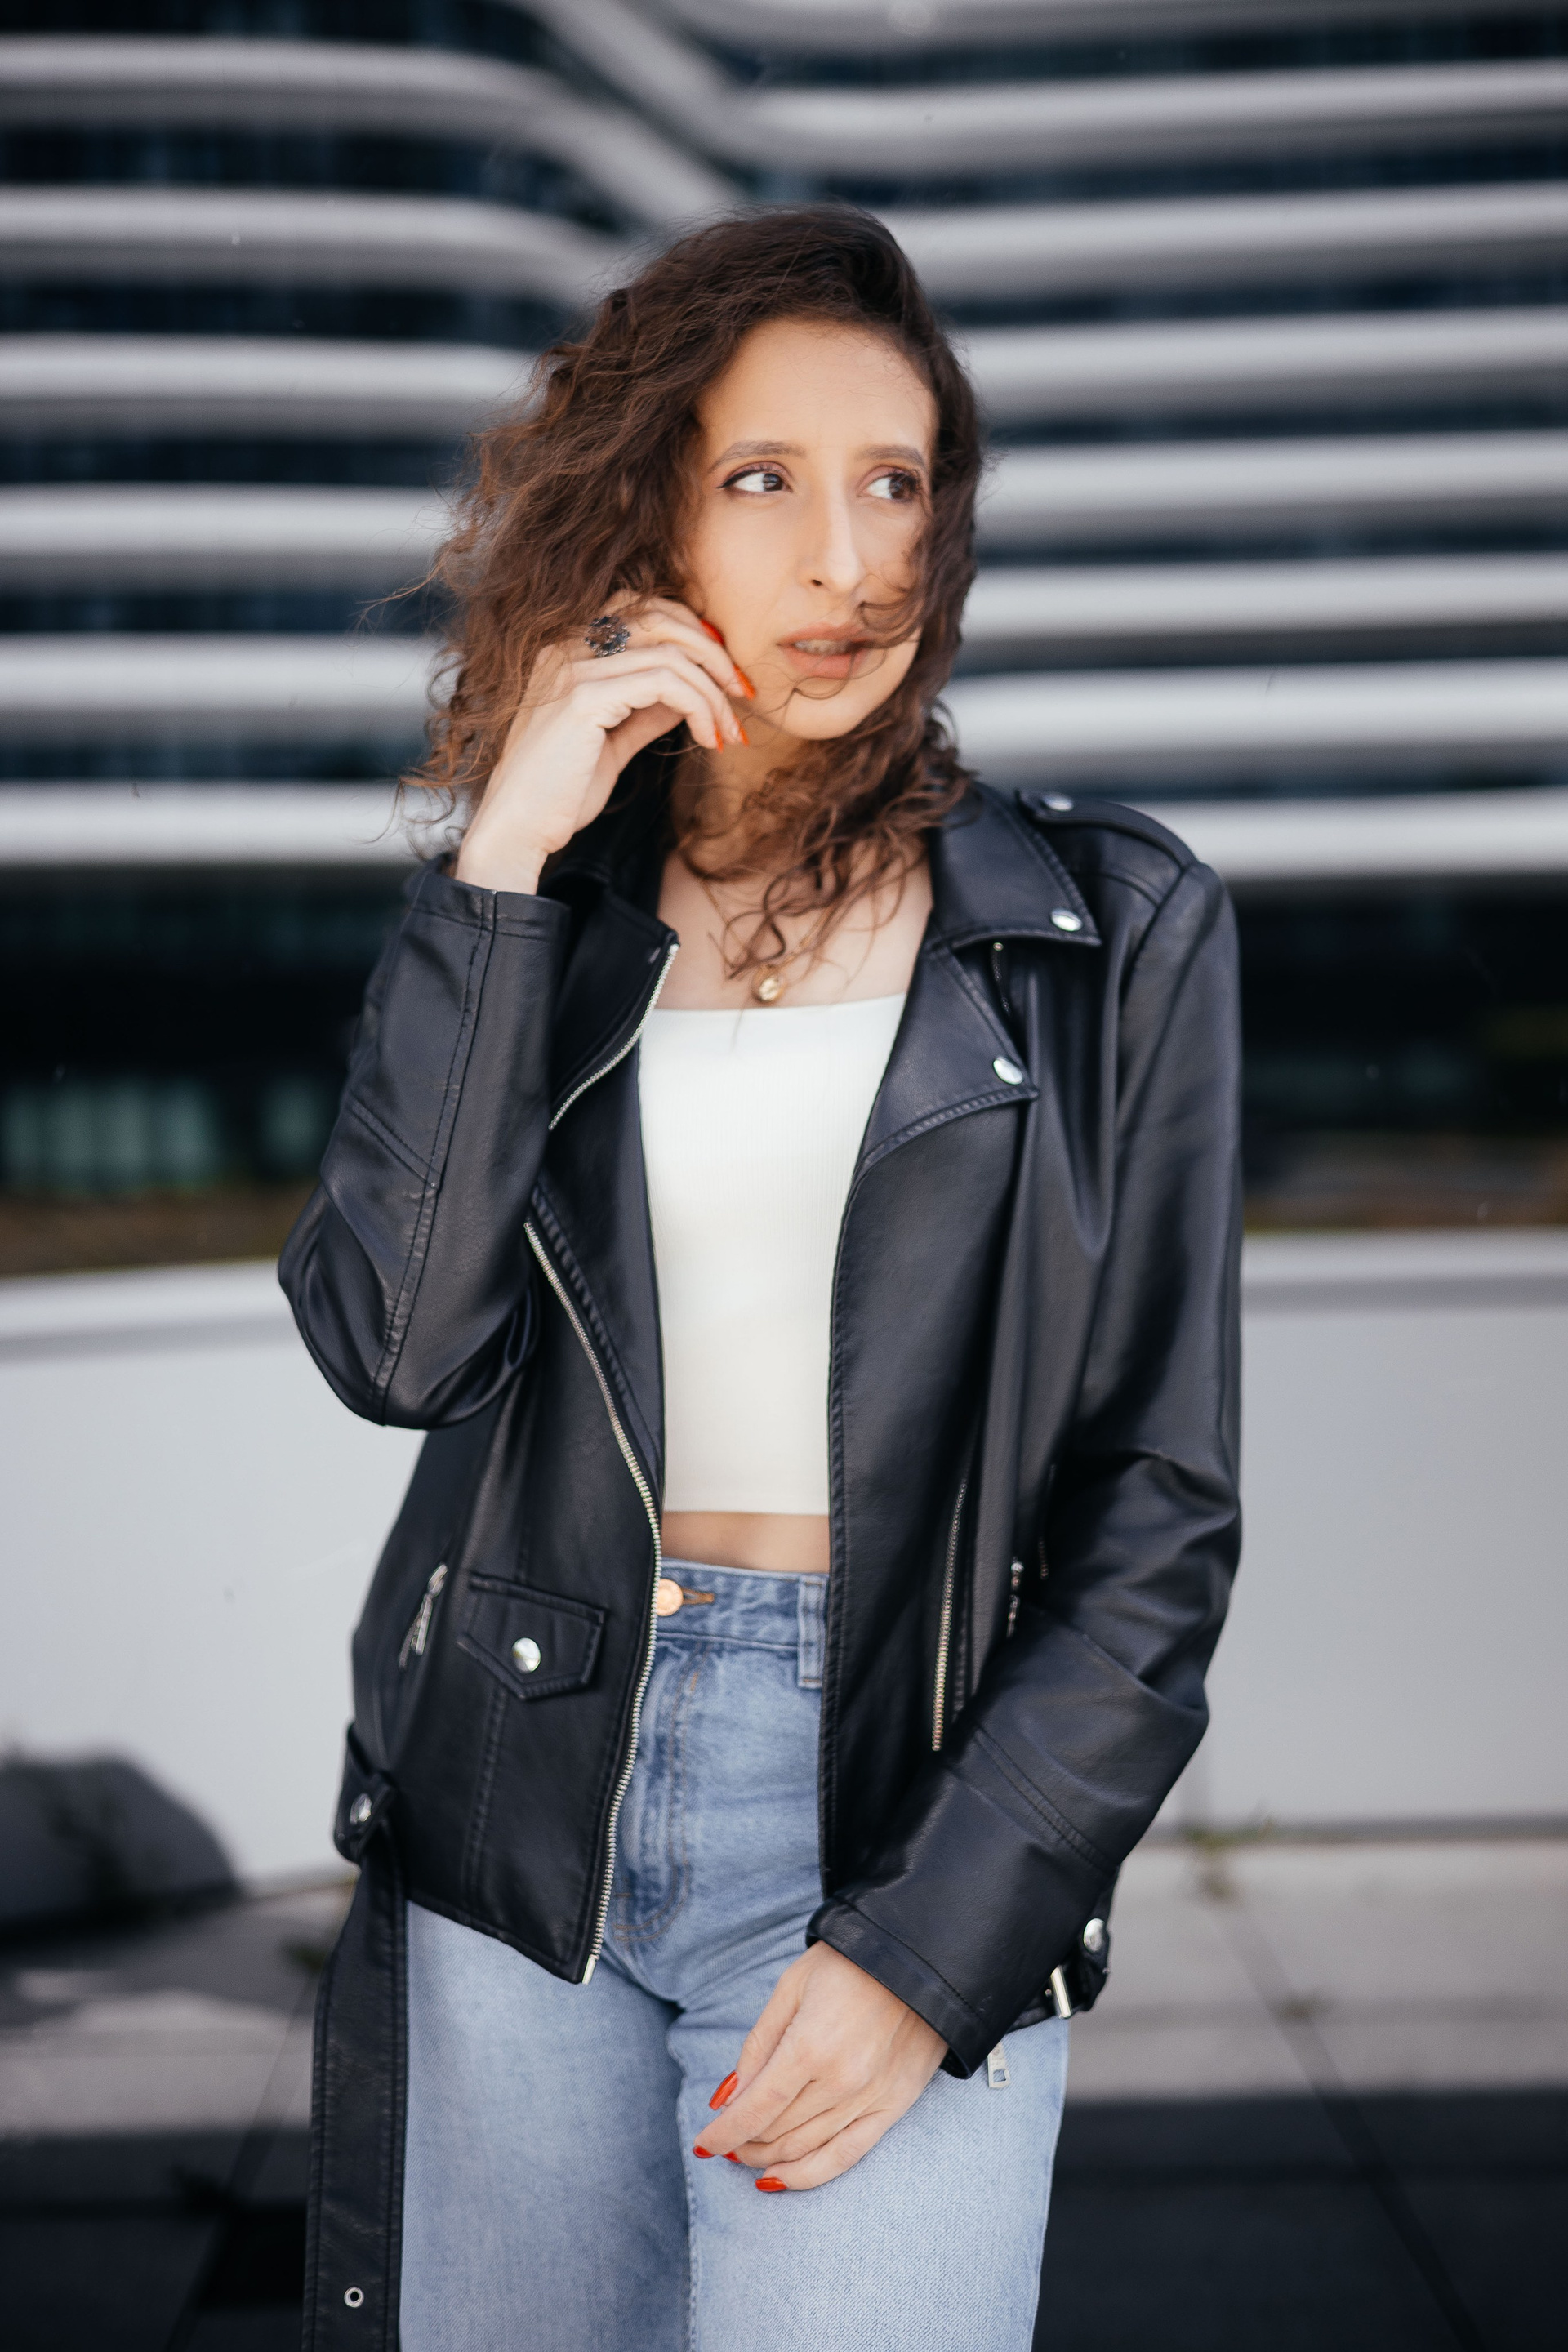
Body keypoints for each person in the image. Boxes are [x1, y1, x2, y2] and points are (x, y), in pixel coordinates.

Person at [281, 206, 1241, 2352]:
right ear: (648, 521)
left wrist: (934, 1945)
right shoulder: (537, 921)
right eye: (767, 480)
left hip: (901, 1787)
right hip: (527, 1797)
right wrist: (504, 862)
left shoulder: (1110, 929)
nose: (849, 557)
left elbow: (1157, 1515)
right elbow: (397, 1347)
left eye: (897, 482)